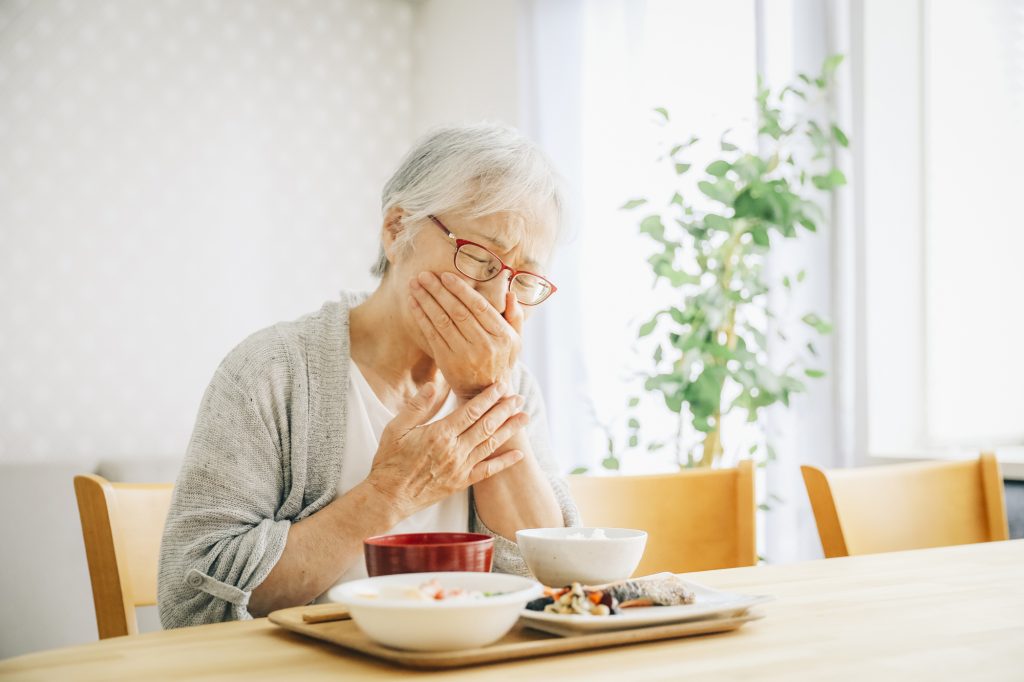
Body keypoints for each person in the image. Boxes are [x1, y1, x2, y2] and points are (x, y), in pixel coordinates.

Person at [158, 123, 580, 627]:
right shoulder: (272, 373)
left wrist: (482, 391)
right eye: (479, 258)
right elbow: (194, 602)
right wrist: (391, 491)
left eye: (523, 278)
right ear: (397, 229)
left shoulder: (512, 385)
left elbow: (554, 581)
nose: (495, 302)